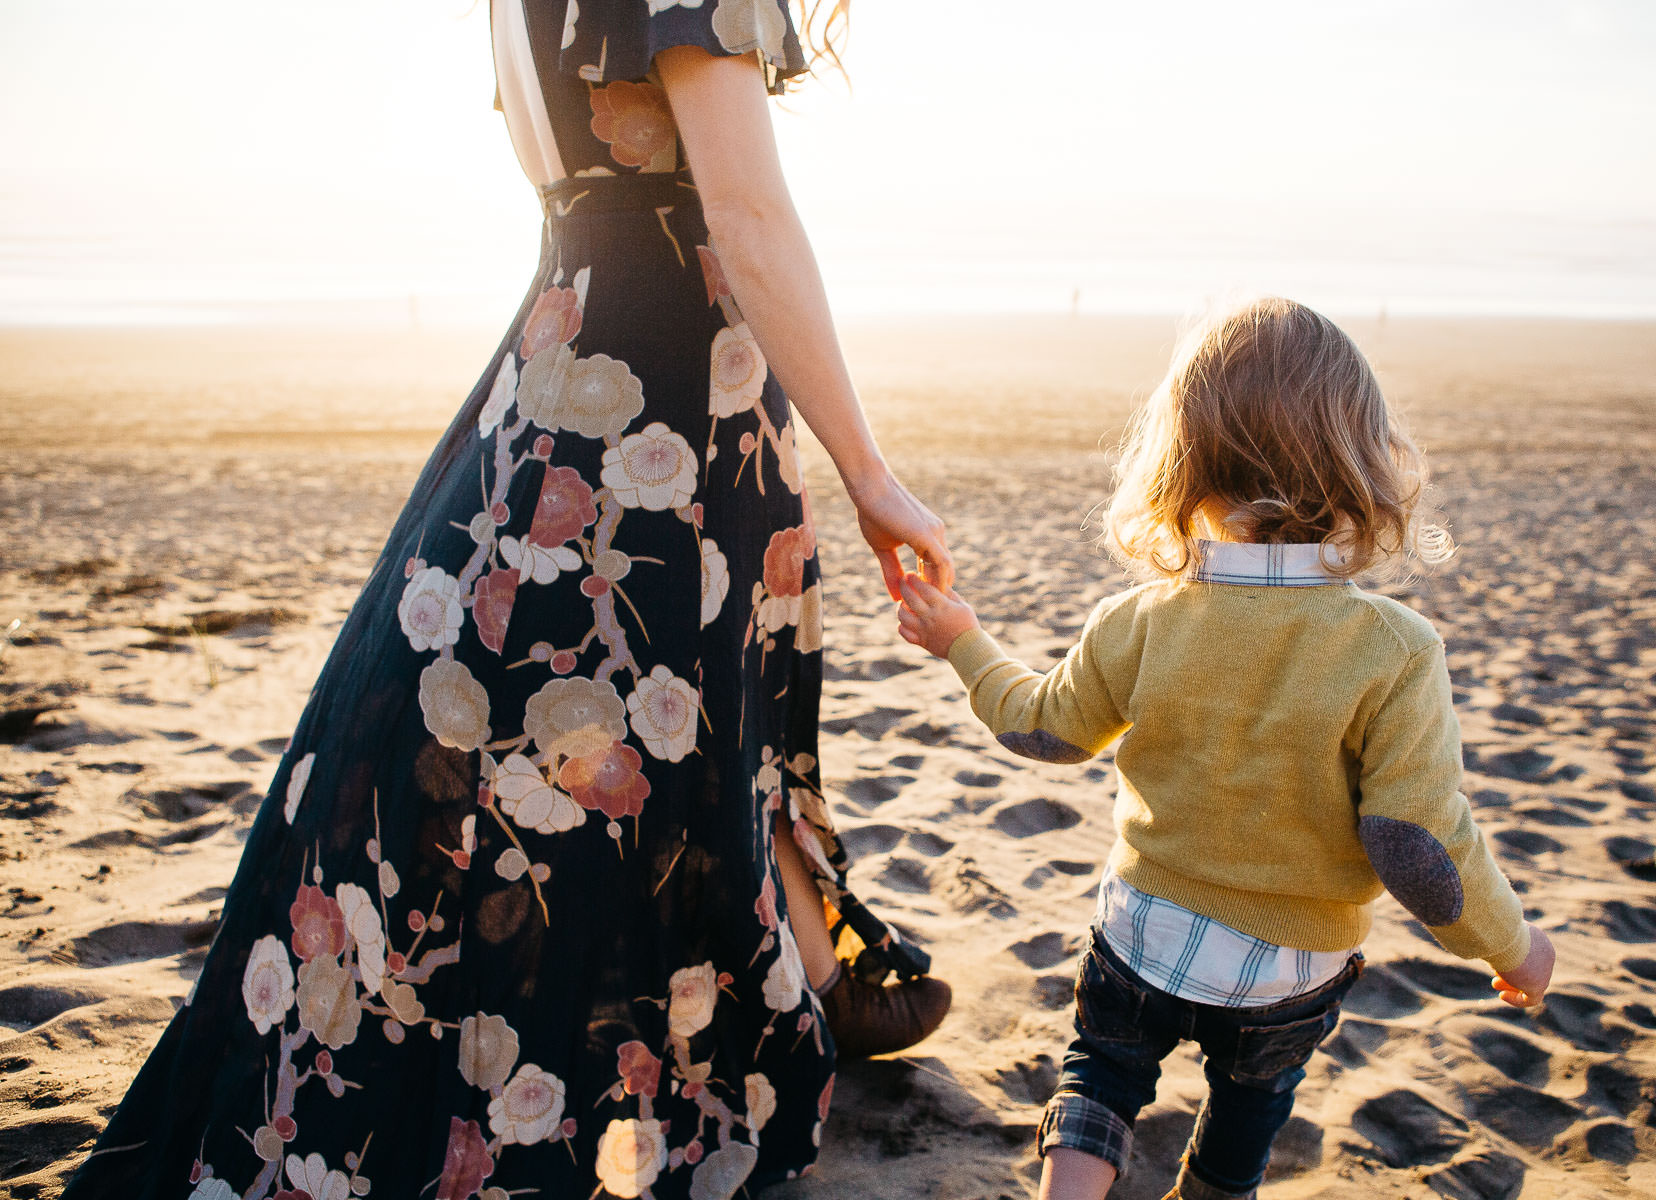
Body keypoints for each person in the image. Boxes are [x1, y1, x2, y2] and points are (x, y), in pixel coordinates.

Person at [61, 2, 952, 1196]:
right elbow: (742, 210)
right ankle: (745, 1023)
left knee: (615, 728)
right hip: (665, 387)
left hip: (560, 354)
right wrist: (871, 474)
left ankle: (819, 986)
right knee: (674, 729)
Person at [893, 297, 1556, 1200]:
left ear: (1183, 459)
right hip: (1286, 974)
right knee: (1246, 1115)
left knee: (1102, 1079)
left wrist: (963, 641)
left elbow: (1041, 728)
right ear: (1359, 460)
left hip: (1141, 931)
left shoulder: (1143, 616)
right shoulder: (1397, 648)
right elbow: (1417, 842)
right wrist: (1510, 948)